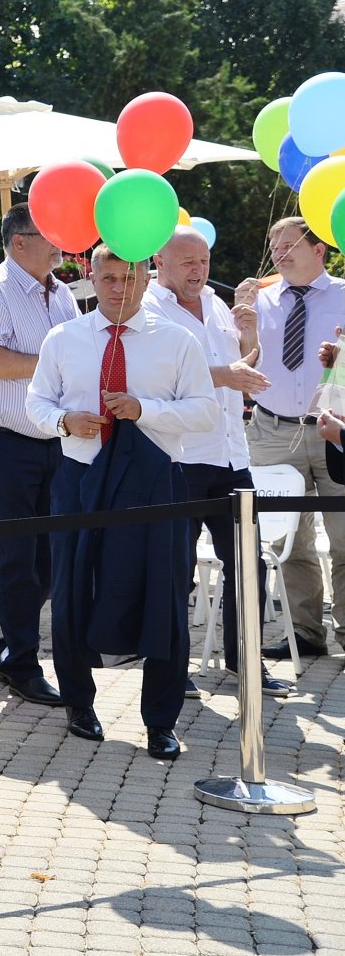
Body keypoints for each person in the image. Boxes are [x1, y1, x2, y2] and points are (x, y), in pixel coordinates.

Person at [26, 245, 217, 758]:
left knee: (166, 594)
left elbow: (205, 412)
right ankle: (79, 705)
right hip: (80, 474)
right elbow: (36, 402)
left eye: (129, 278)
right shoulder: (63, 338)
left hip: (155, 484)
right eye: (108, 277)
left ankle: (160, 720)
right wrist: (64, 422)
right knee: (69, 590)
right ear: (92, 276)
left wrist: (144, 410)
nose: (118, 288)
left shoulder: (176, 341)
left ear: (146, 276)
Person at [146, 227, 293, 697]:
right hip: (182, 457)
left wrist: (249, 335)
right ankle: (171, 667)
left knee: (250, 565)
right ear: (159, 261)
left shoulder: (214, 303)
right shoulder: (146, 309)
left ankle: (244, 660)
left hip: (232, 453)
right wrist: (226, 374)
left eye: (204, 259)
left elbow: (245, 373)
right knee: (176, 568)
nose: (199, 269)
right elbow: (158, 377)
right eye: (187, 261)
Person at [0, 204, 78, 709]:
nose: (61, 244)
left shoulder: (62, 291)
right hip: (2, 442)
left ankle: (11, 650)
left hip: (55, 441)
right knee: (16, 556)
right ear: (17, 241)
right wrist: (50, 368)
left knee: (46, 559)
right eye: (50, 234)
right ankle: (22, 662)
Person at [243, 217, 345, 661]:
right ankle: (304, 632)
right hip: (271, 429)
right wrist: (241, 326)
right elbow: (239, 362)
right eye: (275, 246)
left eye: (289, 246)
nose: (279, 254)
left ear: (319, 248)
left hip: (335, 433)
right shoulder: (257, 301)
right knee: (288, 540)